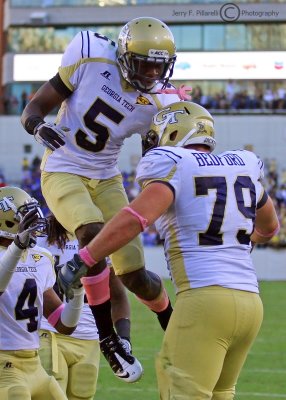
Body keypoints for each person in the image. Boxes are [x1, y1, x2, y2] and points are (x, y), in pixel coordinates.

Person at [57, 101, 280, 399]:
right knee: (221, 392)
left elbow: (136, 217)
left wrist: (85, 257)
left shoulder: (175, 164)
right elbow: (269, 228)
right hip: (250, 302)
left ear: (172, 133)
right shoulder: (243, 165)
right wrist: (231, 239)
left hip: (204, 298)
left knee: (179, 387)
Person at [21, 16, 180, 379]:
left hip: (108, 178)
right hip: (63, 168)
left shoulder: (160, 99)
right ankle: (107, 339)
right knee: (91, 234)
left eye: (160, 65)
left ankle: (171, 322)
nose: (153, 73)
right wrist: (39, 126)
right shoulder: (90, 56)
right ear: (124, 55)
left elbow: (157, 157)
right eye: (145, 63)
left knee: (135, 275)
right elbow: (34, 107)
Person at [37, 213, 142, 400]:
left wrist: (124, 339)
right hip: (49, 333)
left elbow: (117, 297)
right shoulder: (39, 235)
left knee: (82, 396)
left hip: (89, 339)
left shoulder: (98, 239)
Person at [0, 186, 84, 400]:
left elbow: (63, 324)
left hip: (34, 364)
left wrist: (78, 293)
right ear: (6, 221)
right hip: (4, 368)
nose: (34, 219)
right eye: (24, 214)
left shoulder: (41, 257)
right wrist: (17, 246)